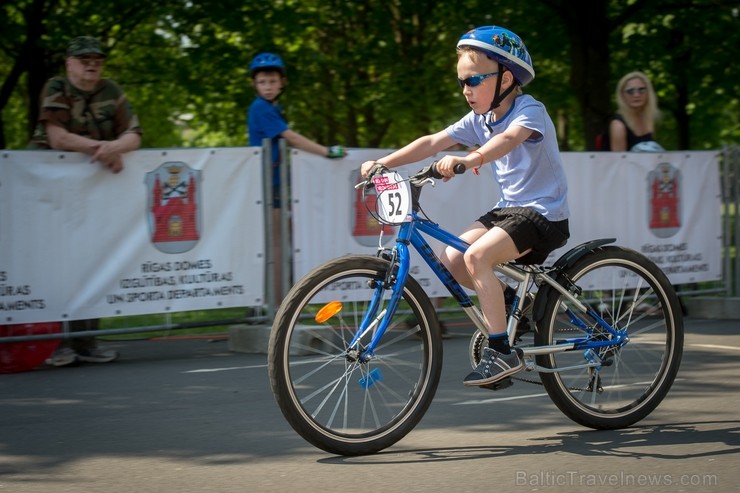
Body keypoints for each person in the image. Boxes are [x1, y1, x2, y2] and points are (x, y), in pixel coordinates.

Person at [360, 26, 569, 387]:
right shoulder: (480, 120)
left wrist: (469, 160)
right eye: (461, 83)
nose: (466, 90)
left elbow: (507, 140)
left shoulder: (529, 110)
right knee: (453, 259)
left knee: (476, 258)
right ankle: (512, 305)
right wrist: (384, 163)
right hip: (510, 210)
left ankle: (502, 351)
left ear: (507, 76)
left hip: (543, 213)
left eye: (473, 80)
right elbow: (432, 141)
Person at [29, 36, 142, 366]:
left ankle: (86, 341)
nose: (92, 64)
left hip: (95, 192)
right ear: (69, 63)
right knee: (55, 263)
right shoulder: (56, 86)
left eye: (97, 59)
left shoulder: (111, 90)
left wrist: (115, 148)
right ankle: (55, 342)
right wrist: (104, 150)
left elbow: (134, 134)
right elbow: (57, 137)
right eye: (84, 59)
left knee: (93, 260)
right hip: (48, 194)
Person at [247, 52, 346, 303]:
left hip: (276, 184)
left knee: (283, 242)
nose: (268, 87)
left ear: (282, 83)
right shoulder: (261, 108)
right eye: (262, 82)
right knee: (278, 245)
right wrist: (326, 151)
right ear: (254, 85)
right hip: (270, 187)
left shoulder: (270, 108)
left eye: (272, 81)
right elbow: (291, 137)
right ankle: (279, 303)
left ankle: (279, 300)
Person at [605, 71, 662, 152]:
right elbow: (619, 162)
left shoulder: (649, 119)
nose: (636, 95)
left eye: (641, 90)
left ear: (648, 93)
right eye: (630, 91)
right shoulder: (618, 125)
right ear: (622, 95)